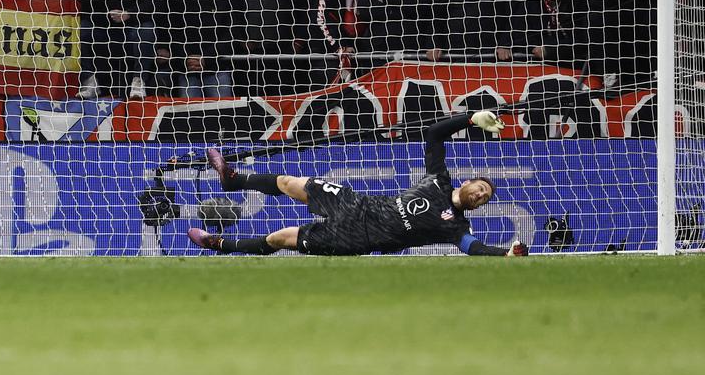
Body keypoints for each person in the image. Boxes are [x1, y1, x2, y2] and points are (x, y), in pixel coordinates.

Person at [188, 111, 531, 257]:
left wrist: (505, 253)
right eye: (481, 188)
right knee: (290, 182)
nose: (480, 195)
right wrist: (471, 119)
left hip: (356, 238)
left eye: (484, 198)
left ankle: (219, 244)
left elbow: (472, 247)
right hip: (358, 203)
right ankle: (234, 179)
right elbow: (434, 134)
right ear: (469, 181)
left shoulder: (455, 226)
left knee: (280, 238)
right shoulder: (439, 179)